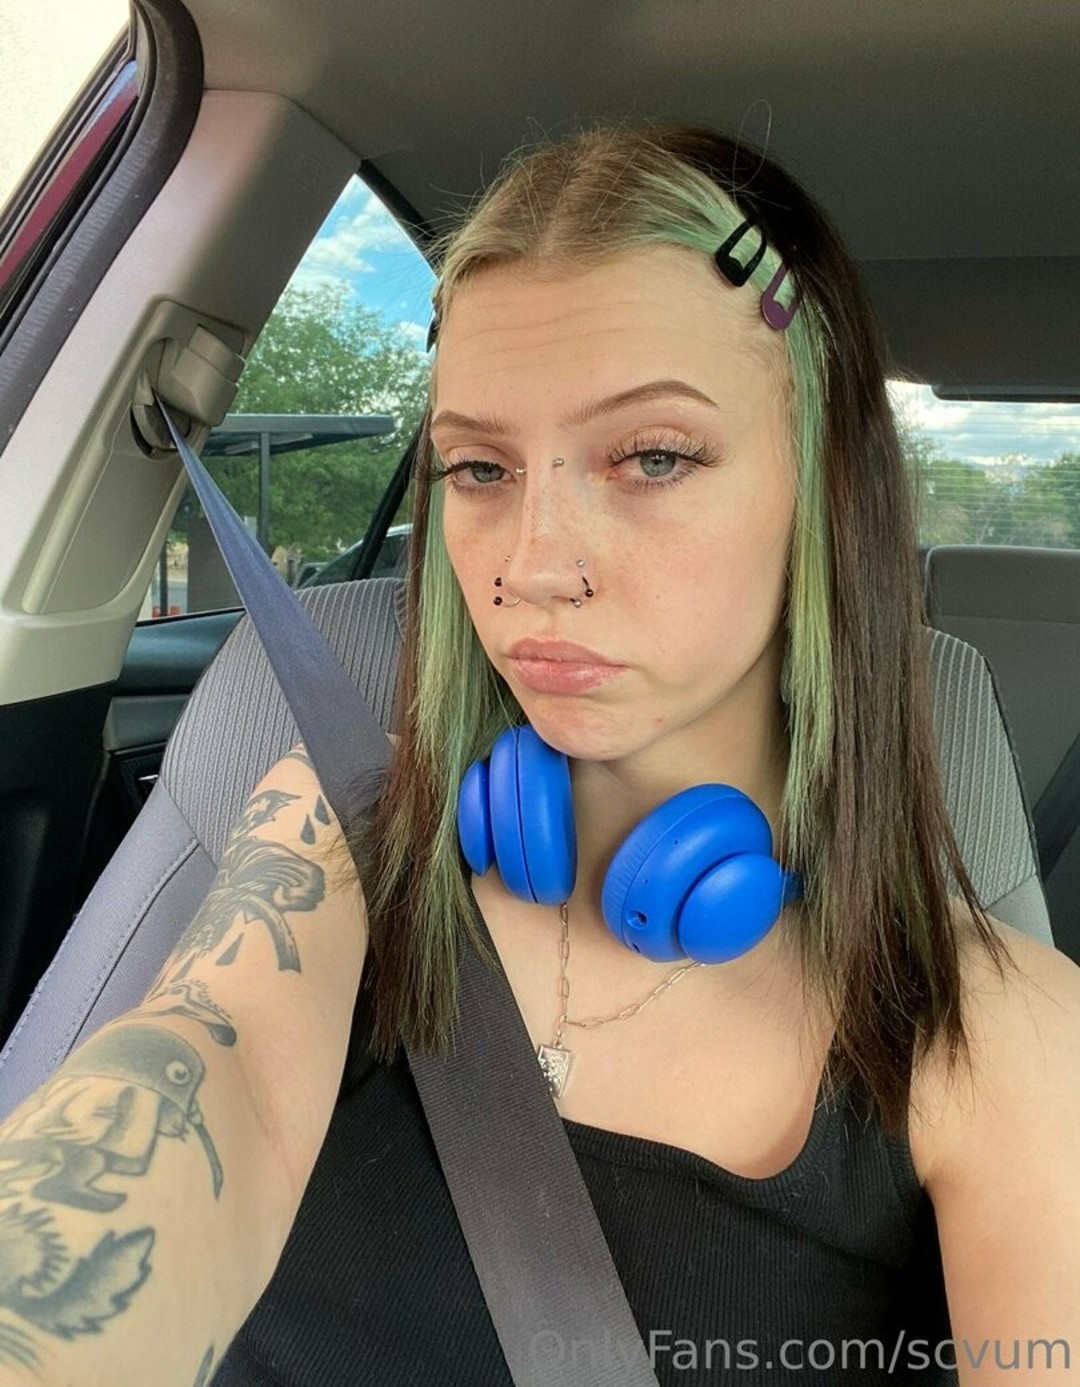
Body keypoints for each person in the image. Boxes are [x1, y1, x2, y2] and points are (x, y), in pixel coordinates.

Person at [0, 124, 1077, 1386]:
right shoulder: (336, 828)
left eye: (654, 456)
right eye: (478, 466)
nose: (532, 563)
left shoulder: (1000, 1032)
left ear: (825, 495)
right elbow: (201, 1077)